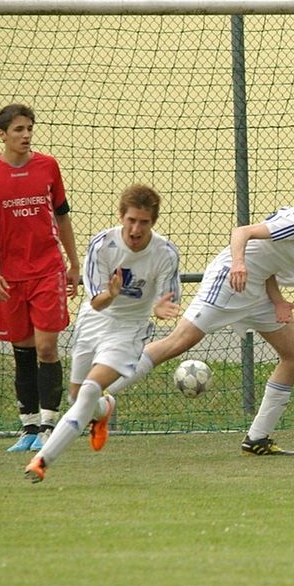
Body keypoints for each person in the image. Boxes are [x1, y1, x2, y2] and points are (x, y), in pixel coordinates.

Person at [96, 186, 294, 455]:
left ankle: (257, 438)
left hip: (258, 289)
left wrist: (277, 301)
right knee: (179, 342)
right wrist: (238, 264)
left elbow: (269, 259)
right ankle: (99, 393)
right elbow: (244, 232)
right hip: (231, 280)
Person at [25, 185, 181, 482]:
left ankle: (42, 460)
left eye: (144, 222)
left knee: (89, 389)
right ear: (122, 216)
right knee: (77, 398)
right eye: (131, 220)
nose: (136, 229)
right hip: (95, 320)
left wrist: (162, 308)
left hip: (129, 329)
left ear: (153, 222)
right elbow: (97, 303)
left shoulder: (165, 253)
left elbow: (167, 297)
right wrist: (111, 293)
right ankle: (104, 410)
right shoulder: (102, 245)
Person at [0, 104, 80, 453]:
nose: (26, 135)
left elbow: (62, 217)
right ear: (2, 133)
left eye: (29, 128)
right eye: (18, 129)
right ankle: (28, 426)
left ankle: (49, 426)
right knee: (23, 349)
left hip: (47, 271)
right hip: (10, 278)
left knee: (46, 347)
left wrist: (73, 263)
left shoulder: (48, 166)